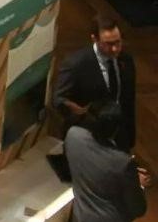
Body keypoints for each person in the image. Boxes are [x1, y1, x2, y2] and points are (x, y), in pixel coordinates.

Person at [68, 104, 148, 222]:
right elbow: (137, 208)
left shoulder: (73, 136)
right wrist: (140, 184)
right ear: (117, 129)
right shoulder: (123, 163)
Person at [56, 15, 139, 152]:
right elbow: (58, 99)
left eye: (118, 42)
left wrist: (130, 137)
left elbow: (129, 100)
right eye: (109, 44)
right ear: (94, 39)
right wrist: (76, 110)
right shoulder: (76, 64)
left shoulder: (126, 60)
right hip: (88, 137)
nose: (115, 49)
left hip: (118, 133)